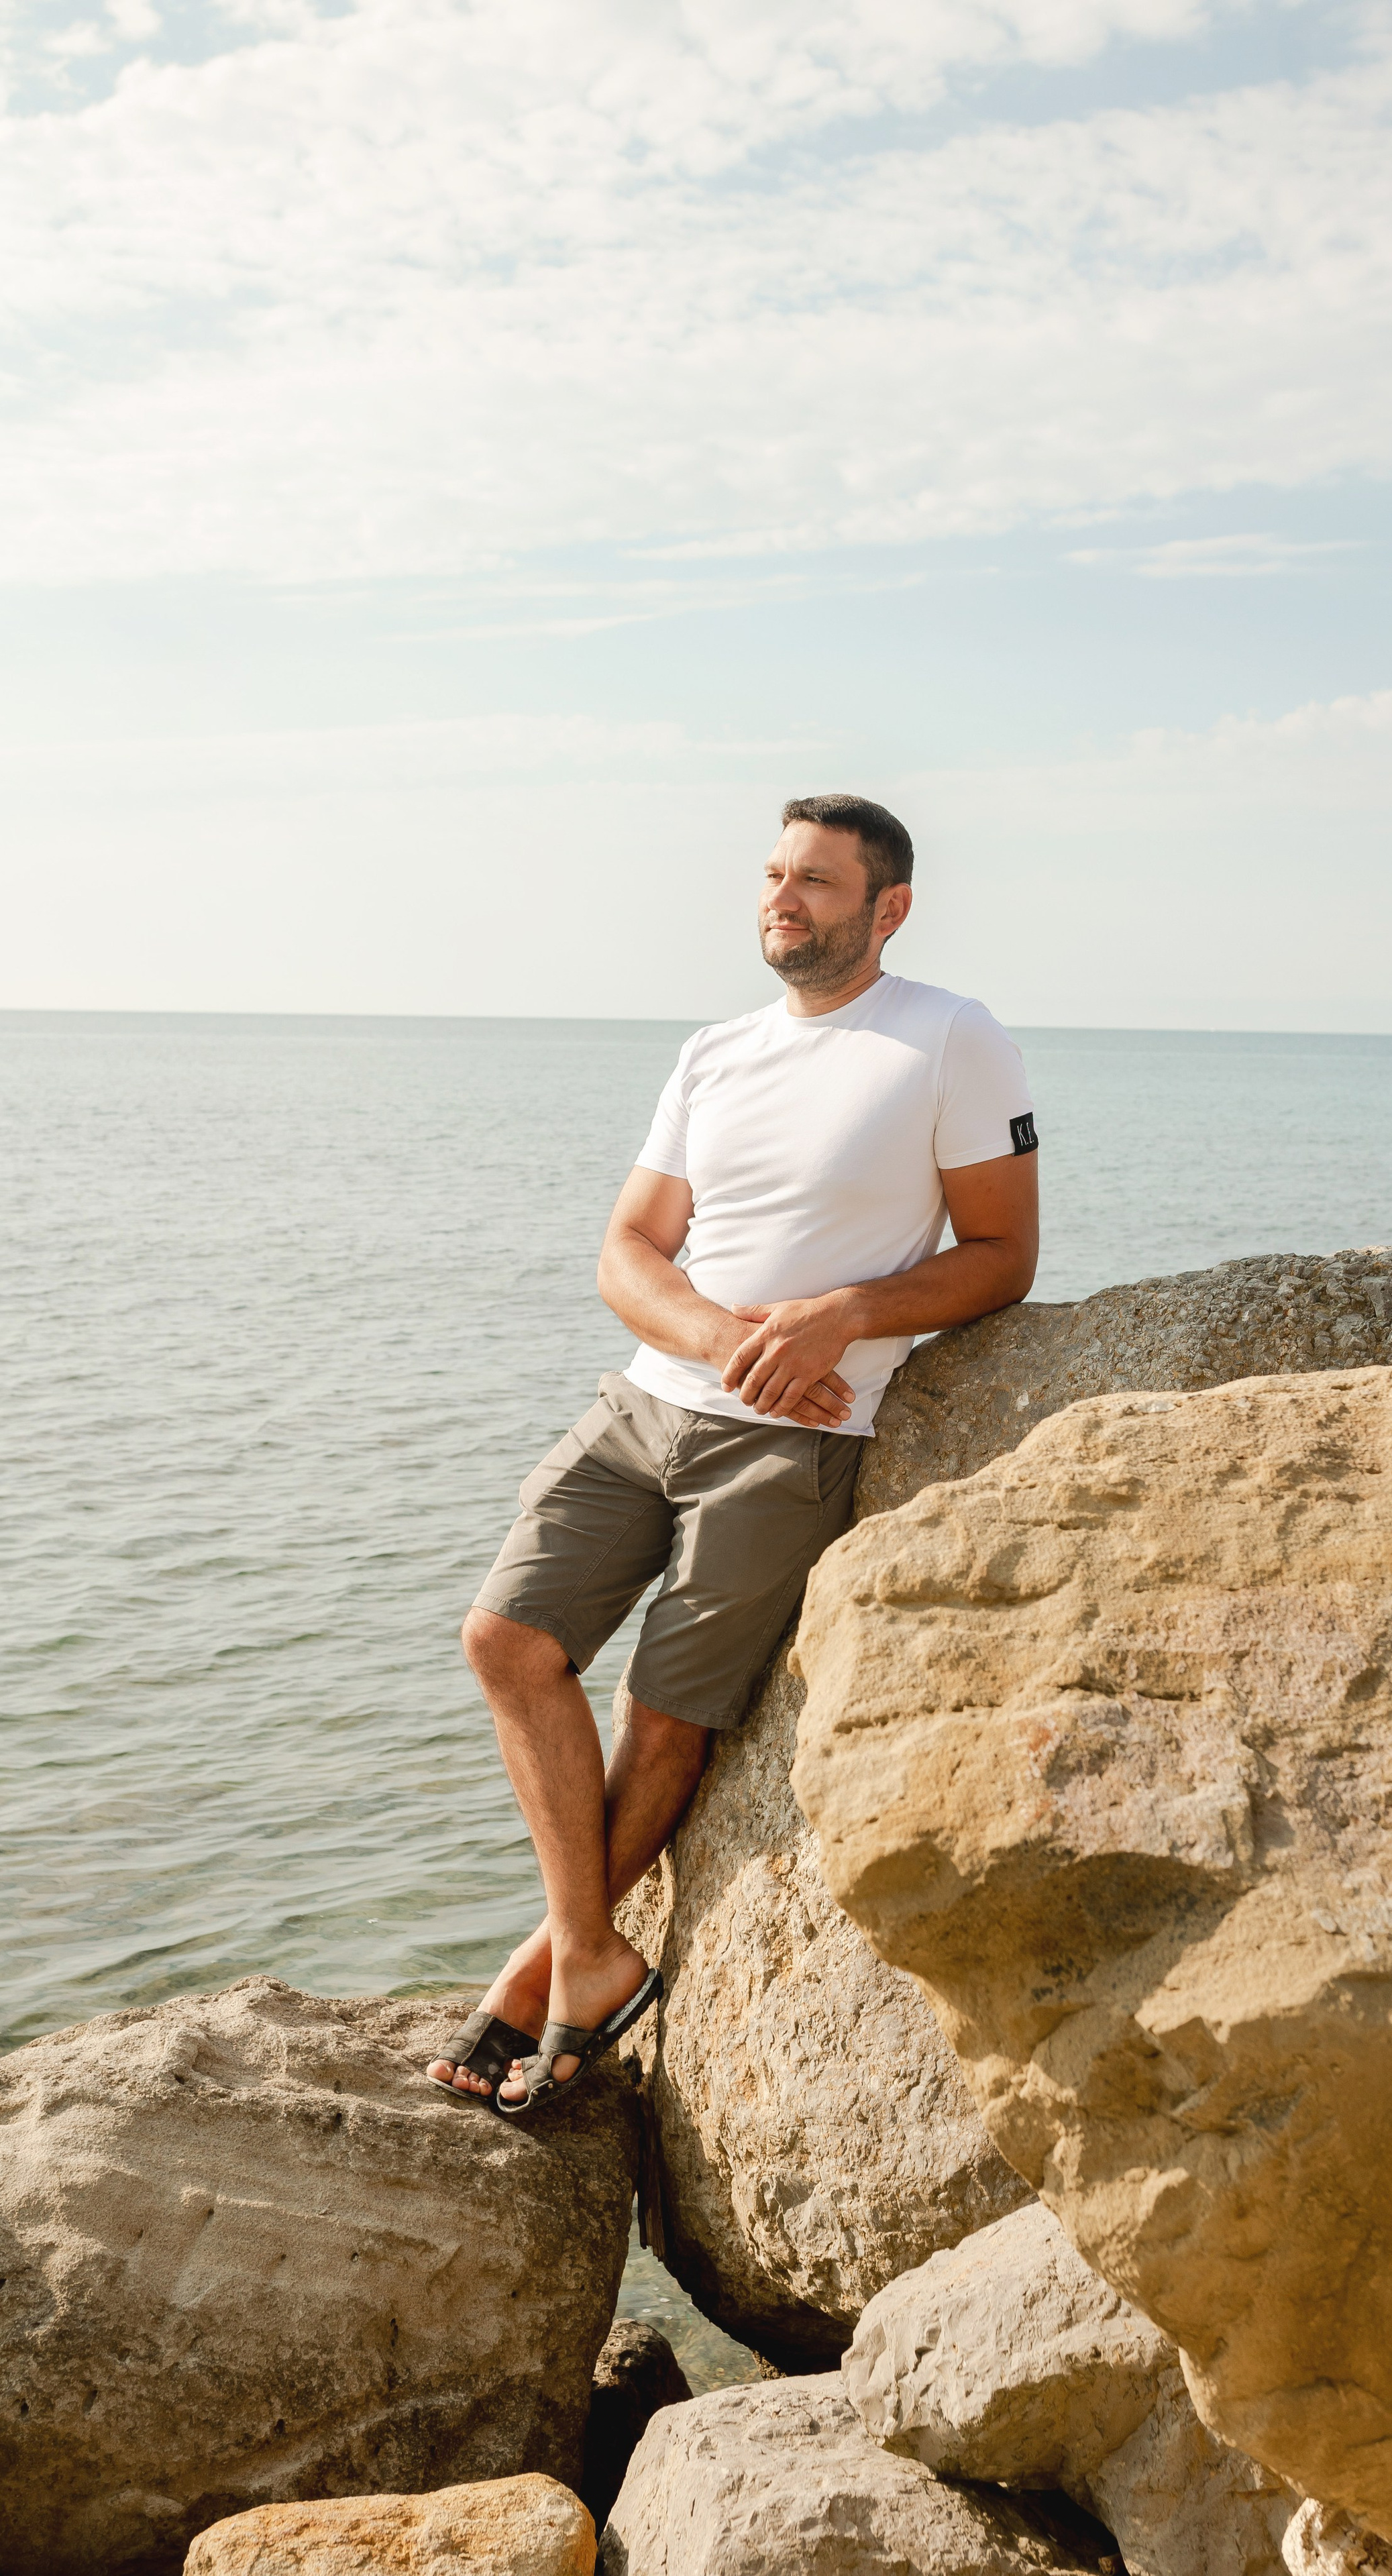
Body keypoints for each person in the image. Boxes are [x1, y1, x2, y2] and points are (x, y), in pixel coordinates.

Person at [427, 792, 1039, 2116]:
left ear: (889, 908)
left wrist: (846, 1312)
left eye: (815, 882)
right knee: (503, 1639)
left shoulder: (948, 1039)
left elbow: (1003, 1256)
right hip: (647, 1404)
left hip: (792, 1443)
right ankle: (587, 1951)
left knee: (663, 1718)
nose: (781, 899)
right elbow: (625, 1250)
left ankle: (544, 1974)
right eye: (773, 875)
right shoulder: (712, 1053)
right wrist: (710, 1331)